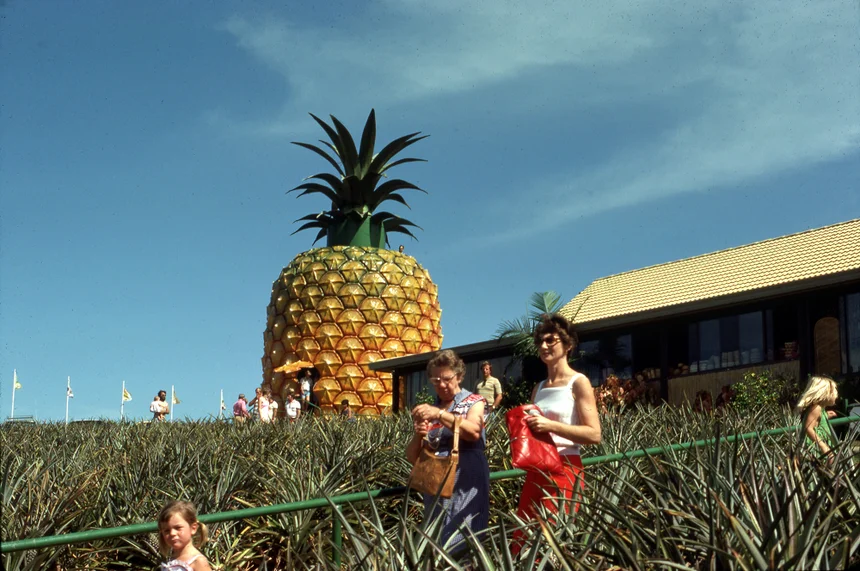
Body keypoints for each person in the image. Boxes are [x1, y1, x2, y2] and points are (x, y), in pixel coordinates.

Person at [517, 314, 601, 525]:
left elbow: (594, 433)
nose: (544, 346)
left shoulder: (578, 382)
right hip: (536, 468)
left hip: (565, 467)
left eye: (551, 340)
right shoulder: (539, 387)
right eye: (540, 342)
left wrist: (550, 425)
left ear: (568, 344)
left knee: (554, 539)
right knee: (525, 539)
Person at [407, 349, 489, 552]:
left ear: (459, 376)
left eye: (446, 379)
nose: (441, 385)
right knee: (436, 540)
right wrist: (419, 434)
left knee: (463, 537)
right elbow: (411, 457)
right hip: (436, 483)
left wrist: (441, 415)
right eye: (435, 381)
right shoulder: (431, 408)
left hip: (465, 480)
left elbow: (473, 432)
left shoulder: (474, 402)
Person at [157, 500, 212, 571]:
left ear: (193, 528)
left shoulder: (198, 561)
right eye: (166, 530)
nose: (172, 533)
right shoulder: (171, 560)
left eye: (178, 528)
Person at [796, 375, 839, 459]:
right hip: (816, 449)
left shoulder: (820, 409)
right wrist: (823, 447)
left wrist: (825, 416)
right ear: (825, 392)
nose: (837, 393)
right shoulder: (816, 408)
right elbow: (808, 428)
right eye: (835, 390)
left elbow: (815, 421)